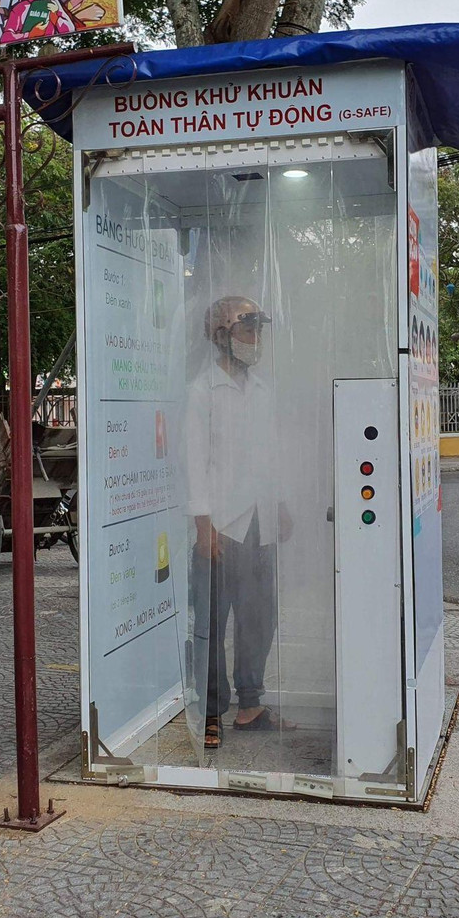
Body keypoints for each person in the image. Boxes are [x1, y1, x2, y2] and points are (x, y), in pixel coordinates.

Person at [184, 297, 294, 750]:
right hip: (222, 525)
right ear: (222, 336)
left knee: (258, 616)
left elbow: (269, 454)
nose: (256, 340)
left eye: (258, 332)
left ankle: (250, 705)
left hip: (259, 520)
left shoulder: (263, 390)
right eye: (248, 331)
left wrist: (281, 502)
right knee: (212, 622)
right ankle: (211, 711)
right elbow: (194, 461)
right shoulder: (202, 391)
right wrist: (203, 526)